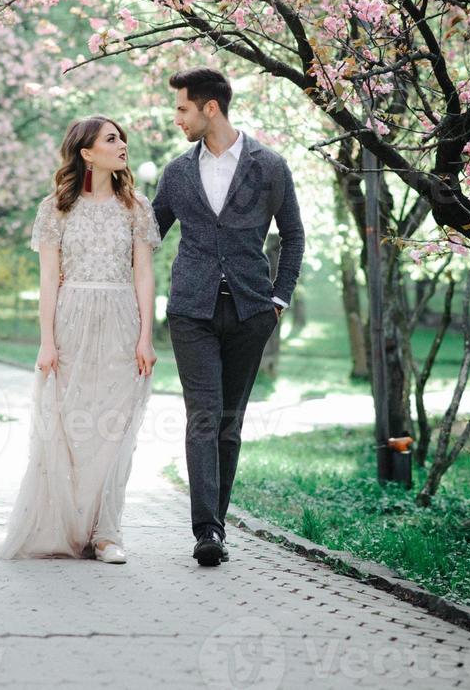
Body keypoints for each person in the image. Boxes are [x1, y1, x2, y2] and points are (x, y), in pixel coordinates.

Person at [152, 68, 305, 567]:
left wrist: (278, 300)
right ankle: (207, 531)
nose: (177, 119)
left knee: (229, 423)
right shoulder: (177, 172)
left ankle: (215, 526)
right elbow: (148, 232)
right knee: (203, 416)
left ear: (209, 108)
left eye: (182, 109)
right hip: (191, 312)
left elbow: (294, 235)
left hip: (249, 311)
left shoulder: (269, 166)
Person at [0, 115, 161, 564]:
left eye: (122, 136)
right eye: (111, 138)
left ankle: (107, 532)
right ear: (87, 153)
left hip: (123, 320)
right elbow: (49, 280)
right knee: (69, 426)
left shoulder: (137, 207)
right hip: (71, 321)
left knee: (115, 427)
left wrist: (146, 336)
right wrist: (46, 342)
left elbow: (144, 274)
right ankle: (65, 525)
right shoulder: (55, 208)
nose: (122, 143)